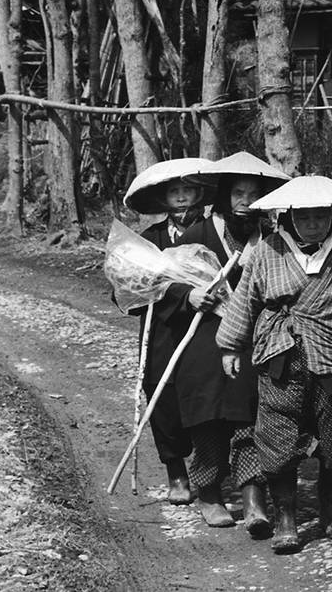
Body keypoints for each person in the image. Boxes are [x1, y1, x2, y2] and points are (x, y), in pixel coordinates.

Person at [216, 175, 332, 554]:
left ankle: (330, 510)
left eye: (320, 216)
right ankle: (286, 519)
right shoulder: (270, 248)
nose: (313, 224)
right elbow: (245, 300)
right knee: (276, 441)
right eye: (304, 217)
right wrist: (229, 346)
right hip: (281, 357)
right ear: (289, 216)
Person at [163, 152, 291, 536]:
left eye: (253, 193)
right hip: (202, 340)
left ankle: (253, 499)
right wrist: (188, 296)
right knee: (209, 419)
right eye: (237, 192)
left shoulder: (272, 241)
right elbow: (161, 286)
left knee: (248, 417)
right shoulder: (196, 236)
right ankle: (209, 491)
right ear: (222, 196)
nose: (245, 200)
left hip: (253, 339)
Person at [121, 157, 215, 505]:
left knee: (207, 394)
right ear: (163, 199)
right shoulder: (149, 239)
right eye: (173, 191)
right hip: (161, 328)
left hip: (205, 326)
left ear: (200, 194)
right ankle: (176, 470)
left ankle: (211, 468)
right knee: (161, 395)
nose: (180, 197)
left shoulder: (213, 234)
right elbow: (131, 283)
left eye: (187, 189)